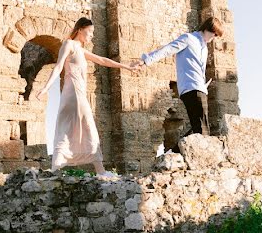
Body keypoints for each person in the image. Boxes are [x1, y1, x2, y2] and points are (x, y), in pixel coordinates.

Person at [34, 17, 138, 176]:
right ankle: (100, 170)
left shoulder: (80, 50)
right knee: (87, 125)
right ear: (80, 29)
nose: (91, 35)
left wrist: (126, 67)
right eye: (89, 32)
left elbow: (102, 60)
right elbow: (59, 66)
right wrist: (45, 88)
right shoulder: (69, 44)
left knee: (67, 127)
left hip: (77, 94)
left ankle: (56, 167)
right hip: (74, 93)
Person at [132, 17, 224, 149]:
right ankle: (180, 155)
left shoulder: (204, 47)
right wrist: (145, 61)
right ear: (207, 28)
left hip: (200, 88)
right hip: (191, 88)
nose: (214, 37)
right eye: (214, 34)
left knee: (199, 127)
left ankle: (175, 153)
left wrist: (204, 86)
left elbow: (198, 69)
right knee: (202, 129)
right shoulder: (188, 39)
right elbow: (168, 49)